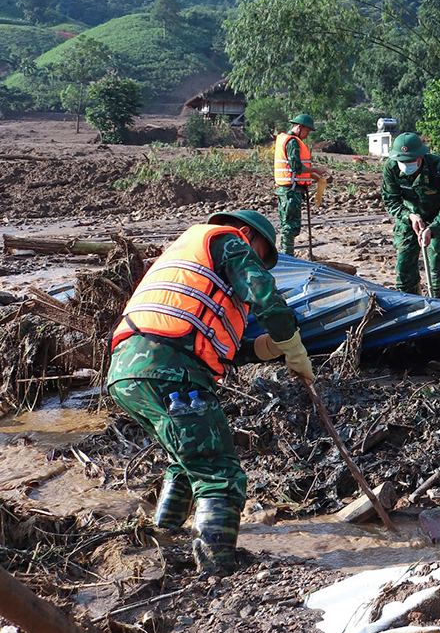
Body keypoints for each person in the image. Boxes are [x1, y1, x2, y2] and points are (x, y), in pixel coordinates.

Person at [106, 210, 313, 575]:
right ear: (247, 234)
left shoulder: (188, 258)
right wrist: (291, 342)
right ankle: (217, 568)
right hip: (171, 372)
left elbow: (212, 341)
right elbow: (263, 292)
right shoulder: (226, 239)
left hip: (127, 372)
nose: (257, 262)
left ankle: (162, 540)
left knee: (187, 463)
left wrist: (268, 348)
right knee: (219, 474)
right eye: (260, 254)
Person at [382, 132, 440, 298]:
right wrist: (410, 216)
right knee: (404, 263)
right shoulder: (391, 167)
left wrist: (433, 229)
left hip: (439, 217)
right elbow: (391, 201)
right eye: (402, 161)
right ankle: (409, 302)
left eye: (410, 161)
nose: (406, 165)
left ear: (420, 157)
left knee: (435, 260)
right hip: (410, 216)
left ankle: (436, 301)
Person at [273, 113, 330, 256]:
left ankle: (286, 257)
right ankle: (287, 258)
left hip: (287, 188)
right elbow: (297, 168)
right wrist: (315, 169)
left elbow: (296, 169)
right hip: (290, 190)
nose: (307, 134)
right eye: (307, 131)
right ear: (299, 127)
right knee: (290, 227)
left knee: (290, 226)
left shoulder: (285, 139)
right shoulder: (292, 142)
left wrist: (314, 176)